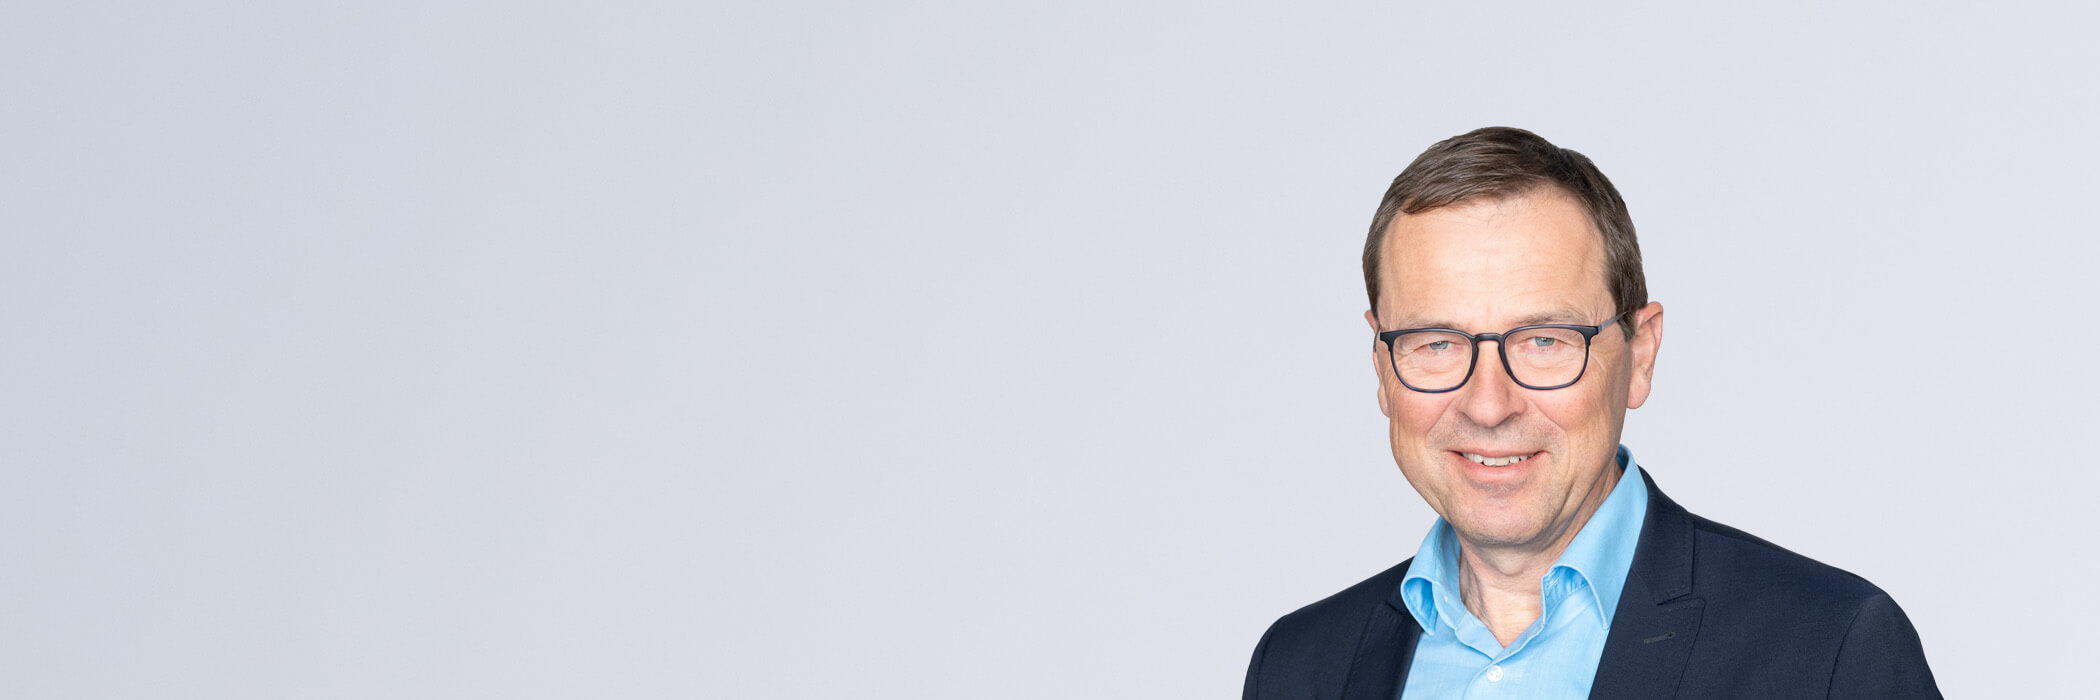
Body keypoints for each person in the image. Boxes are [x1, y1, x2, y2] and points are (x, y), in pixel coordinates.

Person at [1242, 127, 1939, 699]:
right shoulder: (1298, 668)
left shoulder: (1827, 651)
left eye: (1545, 341)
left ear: (1640, 355)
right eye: (1437, 343)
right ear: (1380, 364)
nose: (1488, 404)